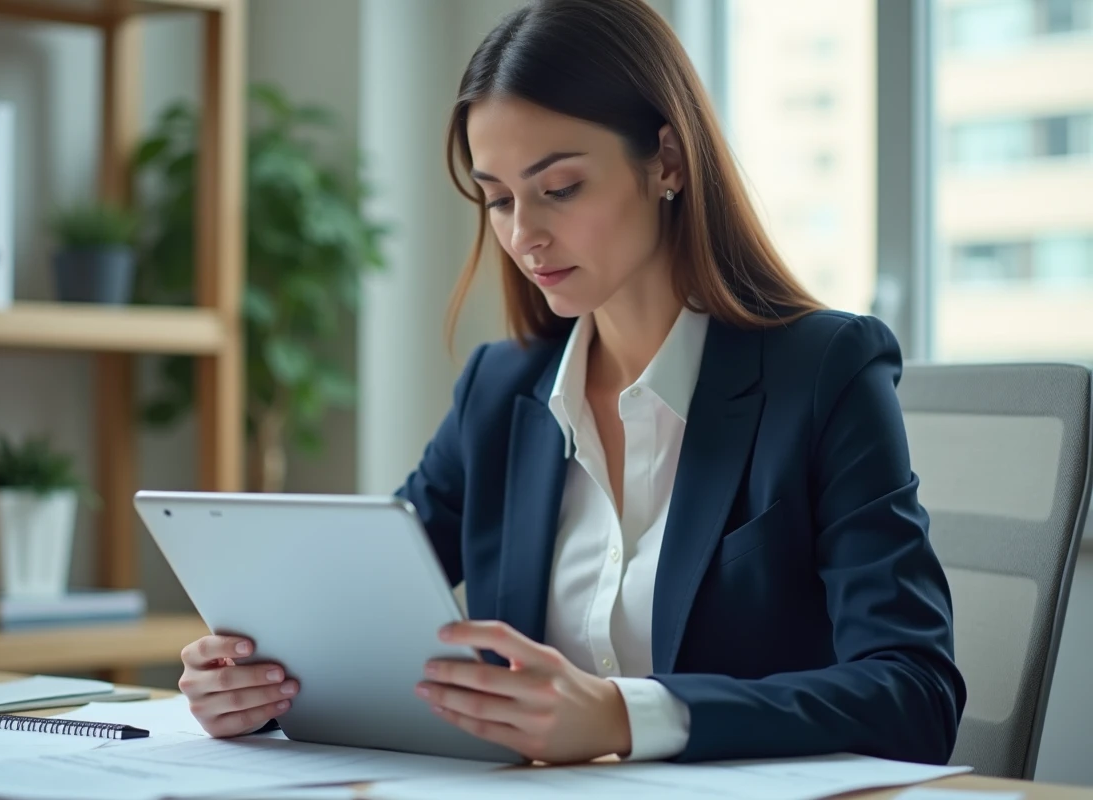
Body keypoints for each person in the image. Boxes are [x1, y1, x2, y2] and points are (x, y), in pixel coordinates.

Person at [176, 0, 966, 767]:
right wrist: (257, 683)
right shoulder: (500, 390)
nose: (524, 235)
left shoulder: (824, 373)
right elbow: (358, 614)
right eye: (497, 198)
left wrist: (627, 715)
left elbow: (914, 693)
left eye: (559, 188)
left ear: (666, 161)